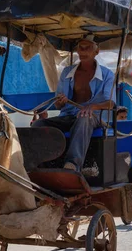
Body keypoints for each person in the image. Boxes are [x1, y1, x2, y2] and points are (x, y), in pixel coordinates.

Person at [31, 35, 115, 172]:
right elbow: (58, 106)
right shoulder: (66, 72)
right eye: (80, 48)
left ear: (96, 51)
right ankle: (40, 164)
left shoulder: (107, 75)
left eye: (87, 48)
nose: (83, 51)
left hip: (95, 117)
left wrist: (92, 107)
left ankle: (72, 166)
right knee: (38, 124)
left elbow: (110, 103)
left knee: (84, 118)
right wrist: (60, 101)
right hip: (69, 116)